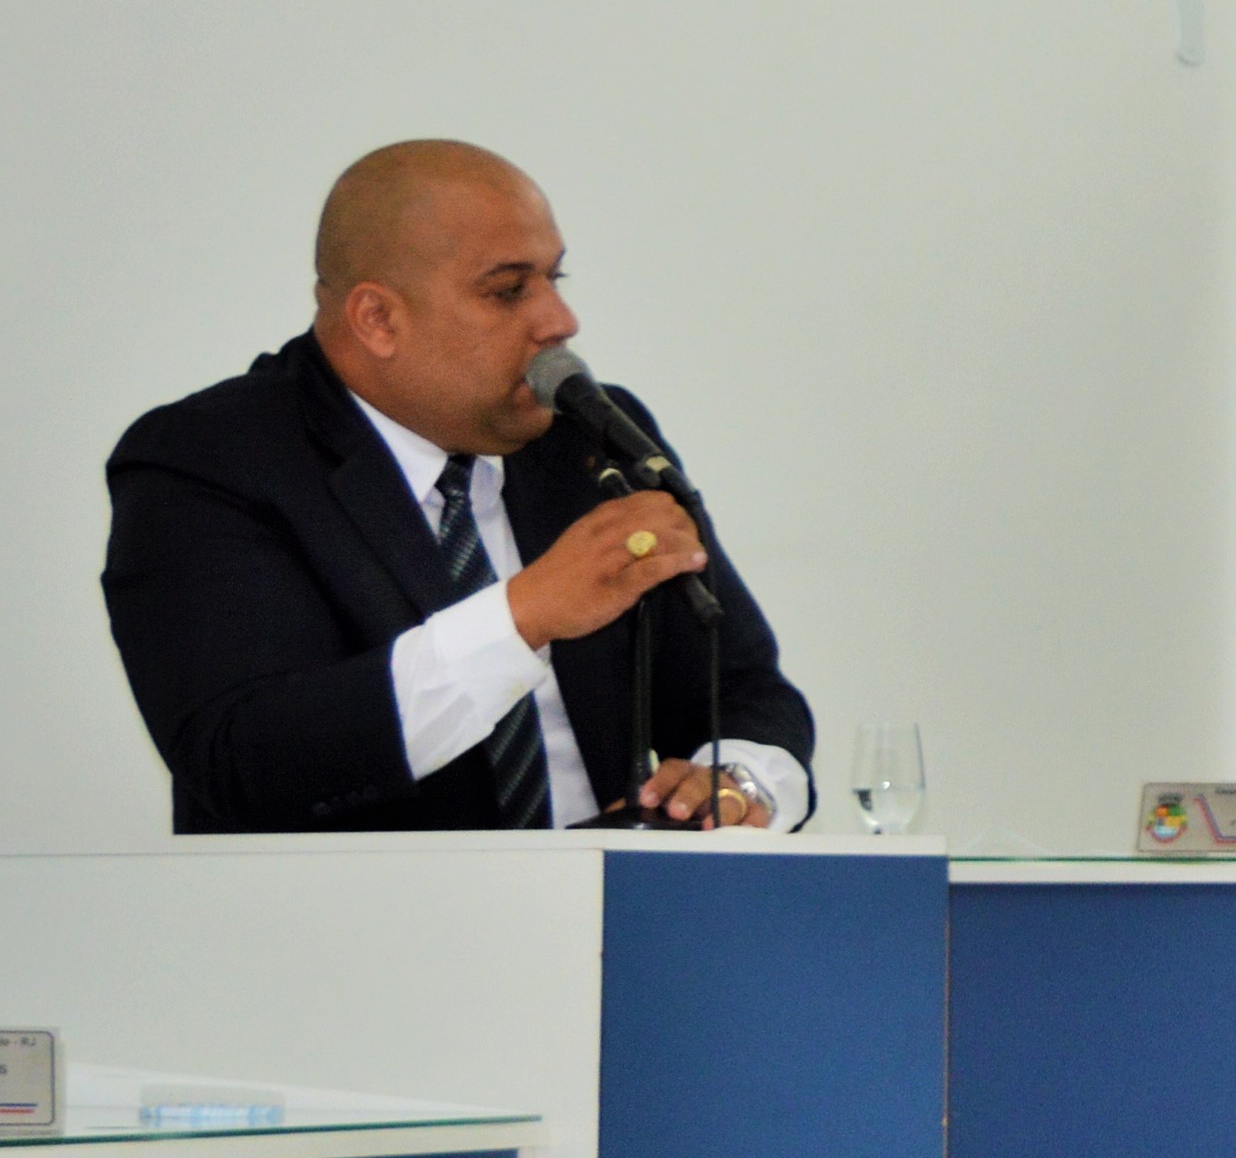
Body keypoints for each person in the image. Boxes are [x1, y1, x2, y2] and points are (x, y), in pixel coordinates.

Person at [104, 140, 816, 833]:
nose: (559, 321)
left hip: (598, 901)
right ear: (378, 319)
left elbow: (744, 689)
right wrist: (524, 616)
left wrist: (737, 781)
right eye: (508, 290)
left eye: (555, 279)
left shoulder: (589, 438)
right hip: (359, 909)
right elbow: (242, 762)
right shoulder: (209, 460)